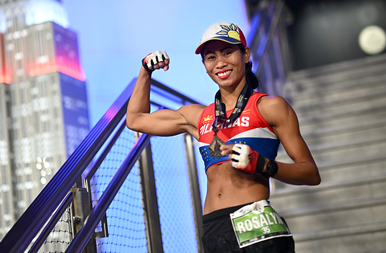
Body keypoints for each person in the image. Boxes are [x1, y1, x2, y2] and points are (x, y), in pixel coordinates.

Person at [126, 22, 321, 253]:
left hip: (258, 227)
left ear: (246, 55)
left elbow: (310, 173)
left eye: (228, 52)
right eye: (211, 57)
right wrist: (145, 71)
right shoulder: (200, 117)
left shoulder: (270, 107)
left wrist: (264, 165)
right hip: (213, 229)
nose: (220, 63)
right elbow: (136, 119)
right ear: (205, 65)